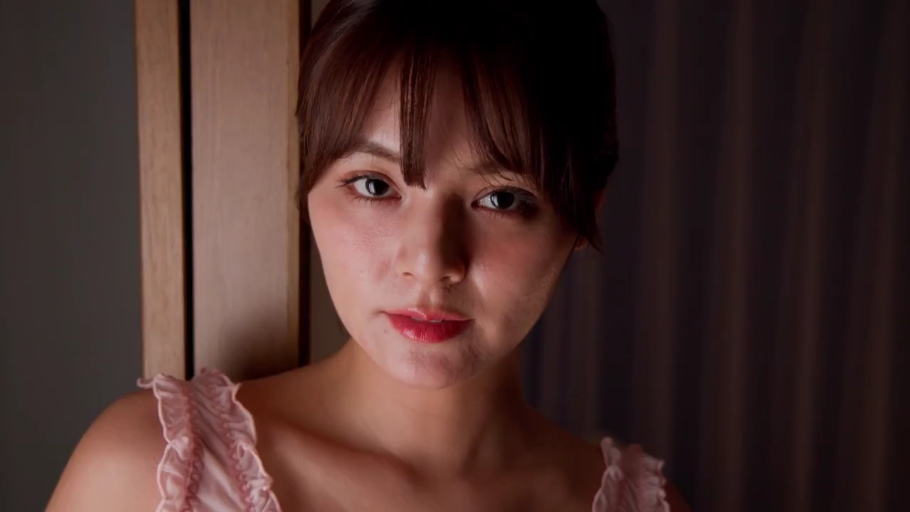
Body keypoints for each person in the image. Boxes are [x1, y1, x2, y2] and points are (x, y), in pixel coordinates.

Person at [49, 0, 688, 510]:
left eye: (500, 198)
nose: (430, 262)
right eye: (375, 186)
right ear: (308, 184)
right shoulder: (149, 476)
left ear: (582, 217)